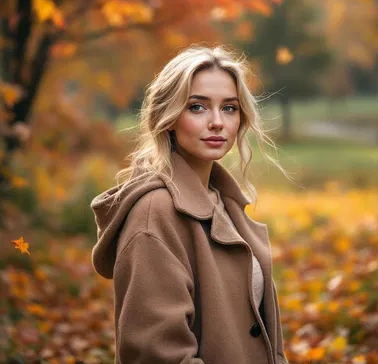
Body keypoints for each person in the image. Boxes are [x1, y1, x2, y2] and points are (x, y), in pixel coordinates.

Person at [91, 45, 290, 364]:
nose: (217, 122)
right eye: (197, 107)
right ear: (167, 117)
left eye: (229, 108)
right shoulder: (154, 215)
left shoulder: (223, 201)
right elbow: (157, 356)